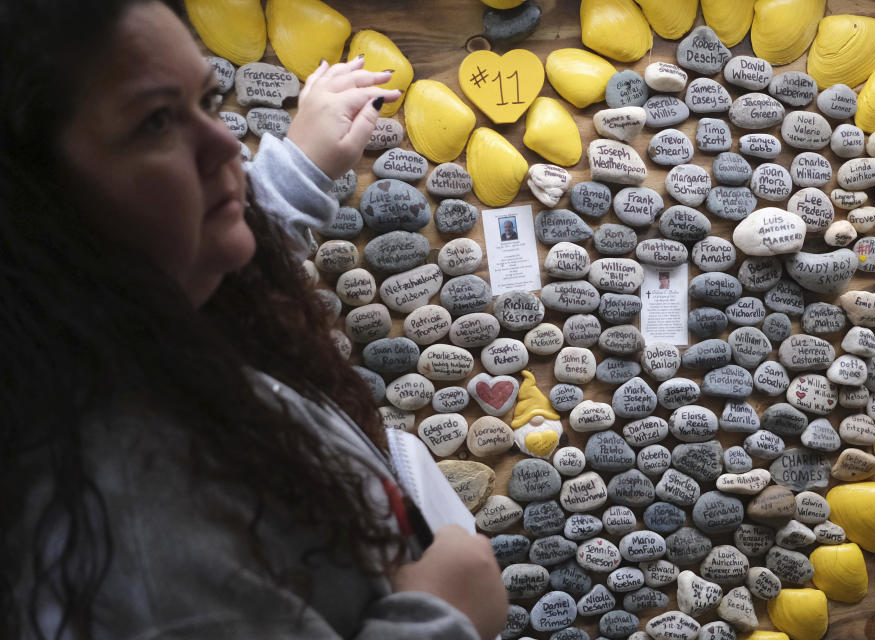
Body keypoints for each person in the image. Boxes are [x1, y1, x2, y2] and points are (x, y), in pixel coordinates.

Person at [0, 1, 508, 639]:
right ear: (30, 201)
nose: (229, 147)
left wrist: (297, 170)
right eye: (156, 121)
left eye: (208, 103)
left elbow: (197, 258)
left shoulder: (116, 327)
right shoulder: (134, 543)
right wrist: (444, 619)